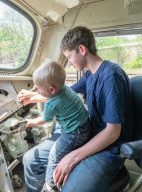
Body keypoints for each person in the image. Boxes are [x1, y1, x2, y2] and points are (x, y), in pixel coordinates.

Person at [18, 26, 133, 192]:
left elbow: (113, 132)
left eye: (69, 57)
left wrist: (73, 156)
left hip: (109, 148)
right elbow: (62, 94)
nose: (70, 63)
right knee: (31, 160)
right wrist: (33, 96)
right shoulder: (89, 74)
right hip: (89, 134)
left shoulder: (111, 77)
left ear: (82, 49)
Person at [24, 61, 91, 191]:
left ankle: (50, 185)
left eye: (38, 88)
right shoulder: (64, 89)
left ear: (51, 90)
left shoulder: (52, 104)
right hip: (85, 125)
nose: (36, 89)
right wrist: (33, 96)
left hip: (74, 133)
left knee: (54, 154)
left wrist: (31, 122)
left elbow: (45, 119)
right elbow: (47, 96)